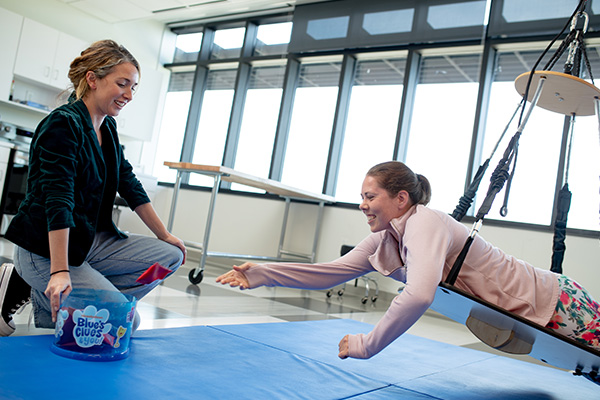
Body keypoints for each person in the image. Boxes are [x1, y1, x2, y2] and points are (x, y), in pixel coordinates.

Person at [217, 161, 600, 361]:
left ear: (401, 199)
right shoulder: (385, 240)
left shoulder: (424, 222)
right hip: (531, 312)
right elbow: (330, 274)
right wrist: (264, 274)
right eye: (361, 197)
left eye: (370, 196)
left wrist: (368, 344)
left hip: (553, 299)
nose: (362, 205)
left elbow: (419, 295)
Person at [0, 39, 186, 337]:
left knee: (169, 256)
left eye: (133, 87)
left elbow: (129, 183)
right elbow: (57, 200)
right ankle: (49, 286)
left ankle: (79, 299)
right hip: (45, 251)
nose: (128, 94)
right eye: (122, 83)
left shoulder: (107, 128)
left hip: (87, 244)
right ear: (92, 79)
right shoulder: (63, 124)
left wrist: (164, 235)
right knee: (126, 323)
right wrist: (60, 270)